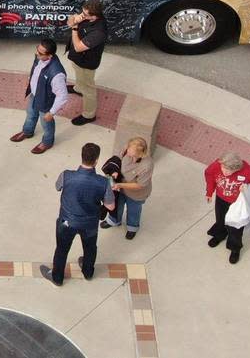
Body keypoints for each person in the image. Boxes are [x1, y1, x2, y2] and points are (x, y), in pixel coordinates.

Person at [41, 142, 115, 286]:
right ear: (97, 160)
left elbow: (57, 187)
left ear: (82, 157)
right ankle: (88, 272)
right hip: (89, 224)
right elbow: (110, 206)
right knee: (90, 248)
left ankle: (57, 277)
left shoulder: (66, 175)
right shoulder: (103, 182)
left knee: (62, 249)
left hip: (67, 222)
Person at [204, 151, 250, 263]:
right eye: (224, 168)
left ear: (237, 169)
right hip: (221, 199)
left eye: (229, 170)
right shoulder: (217, 165)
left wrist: (247, 188)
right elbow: (209, 175)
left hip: (237, 205)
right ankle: (220, 235)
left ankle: (235, 248)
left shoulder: (247, 171)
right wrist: (209, 192)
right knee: (220, 220)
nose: (225, 172)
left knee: (236, 228)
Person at [10, 38, 68, 154]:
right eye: (37, 49)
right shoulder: (39, 57)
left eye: (40, 53)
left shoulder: (57, 74)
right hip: (35, 94)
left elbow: (63, 96)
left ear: (50, 56)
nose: (37, 53)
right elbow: (35, 71)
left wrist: (51, 112)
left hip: (45, 101)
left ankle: (47, 142)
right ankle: (27, 131)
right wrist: (30, 82)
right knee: (30, 114)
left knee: (46, 123)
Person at [65, 0, 107, 126]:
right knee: (79, 75)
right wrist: (74, 20)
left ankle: (89, 115)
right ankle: (78, 88)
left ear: (94, 16)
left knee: (88, 89)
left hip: (86, 63)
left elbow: (78, 47)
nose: (82, 15)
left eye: (85, 14)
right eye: (82, 12)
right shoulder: (87, 14)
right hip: (78, 59)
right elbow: (70, 21)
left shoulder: (99, 32)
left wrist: (75, 27)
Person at [101, 137, 153, 239]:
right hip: (121, 188)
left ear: (139, 153)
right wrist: (115, 171)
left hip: (136, 194)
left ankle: (132, 227)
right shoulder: (127, 151)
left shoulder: (147, 165)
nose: (127, 151)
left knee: (133, 210)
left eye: (131, 151)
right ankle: (114, 221)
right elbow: (118, 159)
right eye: (128, 148)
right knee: (117, 206)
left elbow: (140, 185)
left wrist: (120, 185)